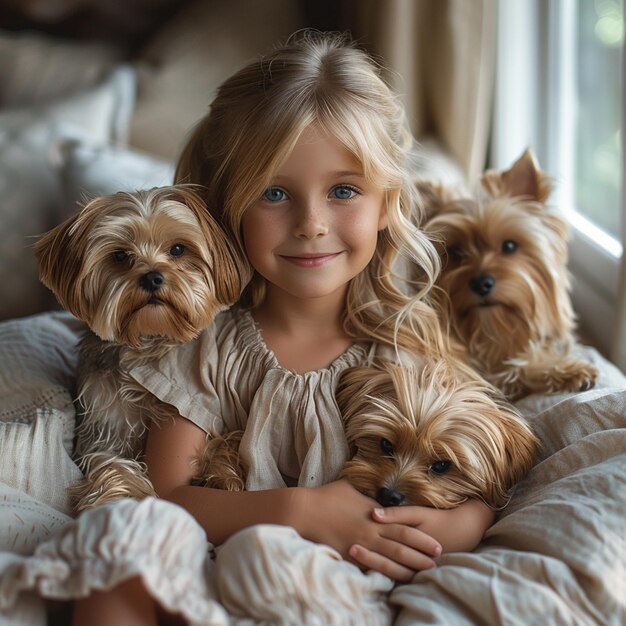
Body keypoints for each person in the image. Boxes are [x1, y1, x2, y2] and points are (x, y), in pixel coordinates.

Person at [71, 31, 494, 626]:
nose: (312, 224)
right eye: (274, 193)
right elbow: (166, 498)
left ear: (386, 201)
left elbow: (468, 476)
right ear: (226, 206)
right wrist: (299, 509)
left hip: (339, 581)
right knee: (115, 562)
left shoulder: (405, 348)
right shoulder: (205, 346)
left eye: (344, 190)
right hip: (218, 567)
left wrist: (465, 522)